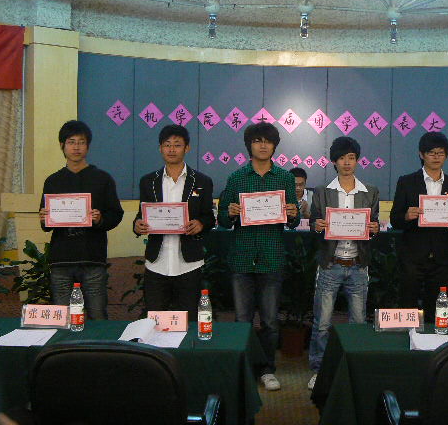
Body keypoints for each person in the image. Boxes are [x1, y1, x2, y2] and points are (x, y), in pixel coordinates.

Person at [218, 122, 300, 391]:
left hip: (271, 257)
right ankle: (242, 369)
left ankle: (267, 370)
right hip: (242, 257)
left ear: (274, 146)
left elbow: (292, 220)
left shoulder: (284, 178)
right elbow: (222, 220)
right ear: (249, 145)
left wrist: (293, 213)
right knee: (241, 320)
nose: (263, 145)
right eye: (257, 141)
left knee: (270, 321)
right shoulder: (236, 178)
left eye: (267, 141)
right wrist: (230, 212)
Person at [307, 137, 380, 390]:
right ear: (334, 162)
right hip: (331, 264)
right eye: (341, 158)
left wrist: (374, 229)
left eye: (351, 158)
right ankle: (318, 369)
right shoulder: (322, 191)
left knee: (358, 323)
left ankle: (353, 368)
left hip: (358, 265)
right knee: (322, 323)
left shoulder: (370, 191)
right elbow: (314, 224)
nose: (347, 162)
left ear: (357, 160)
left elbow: (373, 226)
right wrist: (317, 226)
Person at [39, 120, 123, 319]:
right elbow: (45, 224)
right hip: (61, 259)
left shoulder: (102, 178)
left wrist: (100, 219)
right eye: (71, 142)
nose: (76, 147)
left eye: (81, 142)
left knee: (97, 314)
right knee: (62, 316)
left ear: (88, 146)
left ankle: (98, 342)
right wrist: (43, 218)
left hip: (92, 256)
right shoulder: (53, 181)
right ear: (62, 145)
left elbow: (116, 214)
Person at [133, 125, 215, 317]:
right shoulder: (148, 181)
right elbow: (141, 215)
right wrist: (137, 225)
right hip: (157, 262)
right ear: (160, 148)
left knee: (188, 318)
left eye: (177, 145)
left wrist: (201, 224)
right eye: (167, 145)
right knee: (154, 318)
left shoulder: (202, 181)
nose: (171, 149)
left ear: (187, 148)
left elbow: (209, 217)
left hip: (189, 263)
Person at [389, 131, 448, 322]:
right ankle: (407, 338)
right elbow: (395, 219)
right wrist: (406, 215)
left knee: (437, 306)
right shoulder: (407, 182)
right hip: (413, 255)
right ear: (421, 154)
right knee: (408, 303)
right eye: (431, 153)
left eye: (440, 153)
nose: (436, 157)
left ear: (446, 156)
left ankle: (435, 338)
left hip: (441, 256)